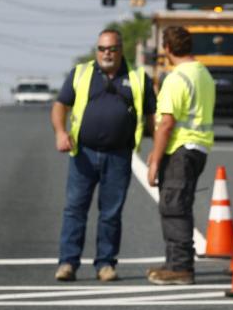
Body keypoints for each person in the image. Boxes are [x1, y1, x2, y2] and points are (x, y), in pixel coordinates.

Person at [51, 29, 155, 282]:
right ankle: (68, 263)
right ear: (97, 50)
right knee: (75, 209)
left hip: (118, 156)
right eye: (102, 49)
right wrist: (60, 133)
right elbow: (60, 105)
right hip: (83, 154)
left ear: (121, 50)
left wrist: (156, 151)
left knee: (111, 212)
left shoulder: (139, 77)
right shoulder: (81, 73)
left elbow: (153, 115)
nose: (106, 53)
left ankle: (105, 264)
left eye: (111, 49)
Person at [146, 26, 216, 286]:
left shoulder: (177, 79)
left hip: (180, 149)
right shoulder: (203, 73)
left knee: (173, 207)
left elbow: (166, 124)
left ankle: (180, 267)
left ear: (167, 49)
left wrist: (154, 159)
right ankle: (173, 261)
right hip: (198, 148)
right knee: (179, 205)